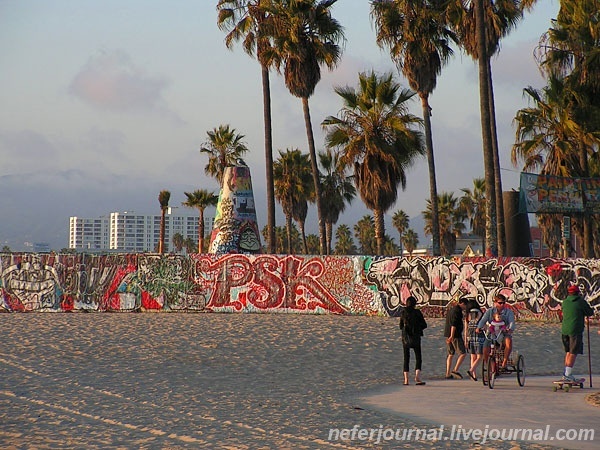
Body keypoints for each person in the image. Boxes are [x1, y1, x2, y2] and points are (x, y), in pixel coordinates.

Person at [560, 284, 593, 382]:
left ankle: (566, 373)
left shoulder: (565, 302)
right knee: (573, 352)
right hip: (575, 330)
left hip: (564, 330)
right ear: (578, 293)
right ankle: (568, 374)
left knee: (568, 351)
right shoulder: (580, 302)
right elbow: (590, 312)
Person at [477, 293, 515, 371]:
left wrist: (510, 329)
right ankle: (489, 368)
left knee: (508, 341)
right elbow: (483, 320)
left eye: (504, 303)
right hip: (492, 333)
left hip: (503, 333)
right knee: (485, 349)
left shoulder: (509, 312)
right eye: (500, 303)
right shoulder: (490, 311)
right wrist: (479, 328)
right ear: (495, 303)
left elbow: (512, 322)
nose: (502, 305)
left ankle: (504, 363)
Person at [399, 296, 428, 385]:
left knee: (406, 358)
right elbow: (424, 325)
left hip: (405, 338)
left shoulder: (403, 312)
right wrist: (417, 328)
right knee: (418, 357)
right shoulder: (417, 312)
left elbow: (400, 326)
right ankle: (417, 377)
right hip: (416, 337)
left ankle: (406, 380)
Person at [444, 297, 468, 379]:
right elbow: (453, 324)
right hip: (455, 335)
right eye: (465, 305)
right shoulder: (458, 311)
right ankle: (455, 370)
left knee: (450, 354)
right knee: (463, 353)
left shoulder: (451, 309)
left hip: (448, 334)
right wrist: (452, 335)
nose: (465, 308)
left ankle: (447, 373)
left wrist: (449, 335)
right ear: (462, 304)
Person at [465, 299, 484, 381]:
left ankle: (474, 375)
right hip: (479, 335)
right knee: (480, 356)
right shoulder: (480, 313)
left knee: (473, 356)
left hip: (470, 336)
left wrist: (466, 340)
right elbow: (483, 324)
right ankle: (471, 370)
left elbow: (466, 328)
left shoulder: (467, 315)